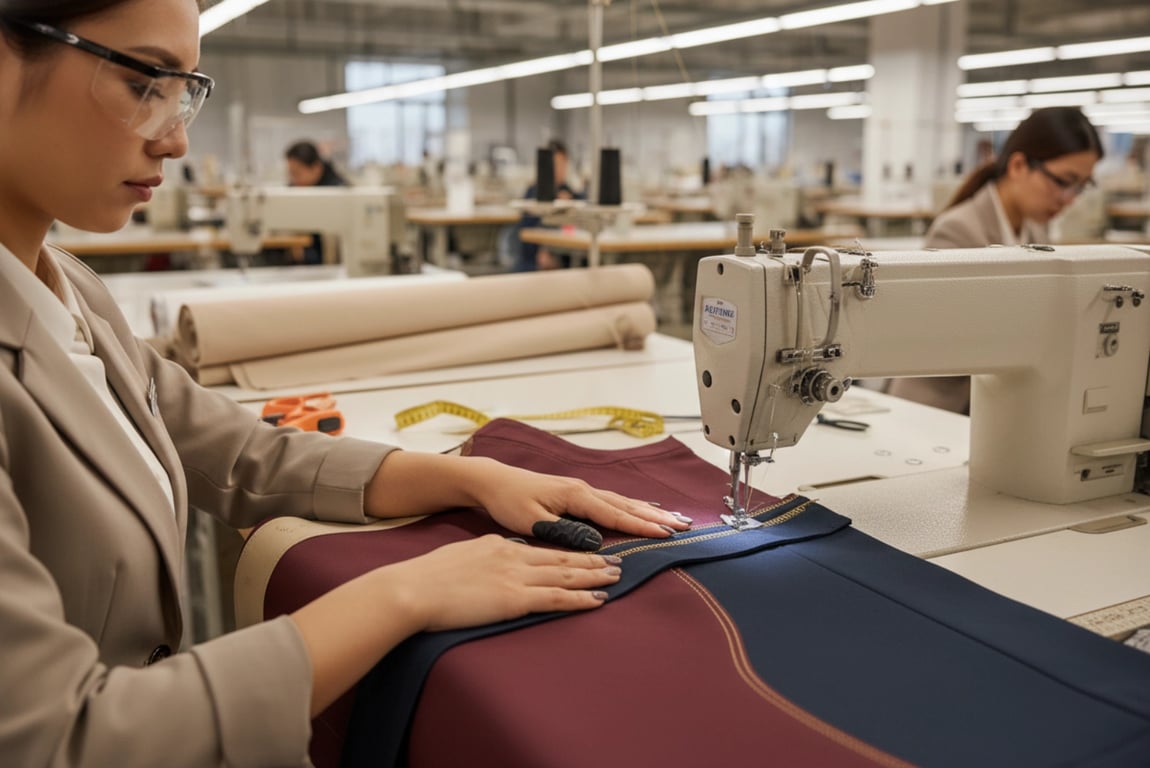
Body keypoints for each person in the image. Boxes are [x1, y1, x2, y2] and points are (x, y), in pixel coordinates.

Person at [0, 3, 690, 766]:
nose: (176, 137)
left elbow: (239, 457)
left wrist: (471, 476)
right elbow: (62, 740)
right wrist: (406, 592)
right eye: (141, 82)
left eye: (182, 89)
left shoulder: (70, 289)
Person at [888, 107, 1103, 413]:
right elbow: (945, 343)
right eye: (1064, 181)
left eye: (1082, 186)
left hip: (996, 402)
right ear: (1018, 165)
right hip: (939, 409)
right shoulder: (960, 230)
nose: (1070, 198)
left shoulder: (1036, 226)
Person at [514, 138, 584, 271]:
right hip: (535, 258)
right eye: (556, 164)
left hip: (567, 255)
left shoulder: (570, 192)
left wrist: (571, 204)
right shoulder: (533, 194)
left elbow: (584, 215)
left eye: (563, 164)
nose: (560, 169)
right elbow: (527, 233)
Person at [284, 139, 348, 264]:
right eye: (290, 173)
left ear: (316, 168)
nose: (293, 179)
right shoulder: (294, 189)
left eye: (297, 173)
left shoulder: (337, 192)